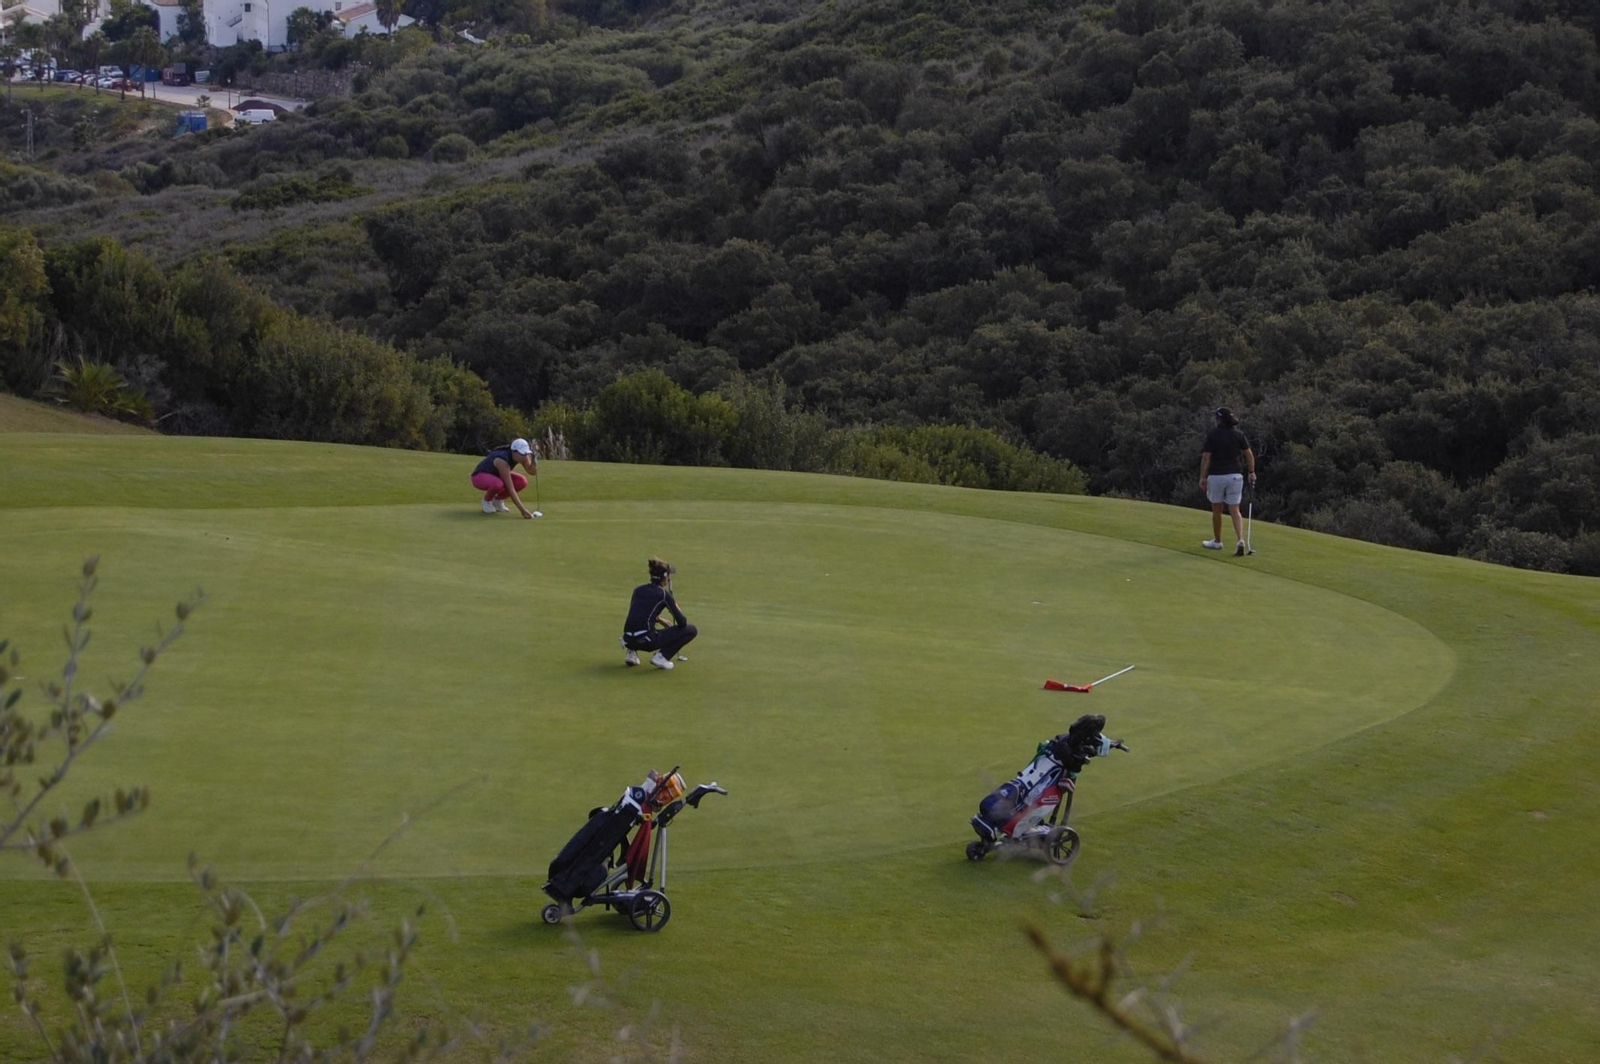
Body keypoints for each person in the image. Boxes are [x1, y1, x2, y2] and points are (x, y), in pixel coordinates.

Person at [971, 714, 1123, 844]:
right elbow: (1076, 763)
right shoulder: (1073, 751)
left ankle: (1010, 824)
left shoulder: (1063, 739)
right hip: (1047, 780)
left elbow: (1086, 745)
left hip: (1037, 772)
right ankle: (1016, 827)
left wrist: (1110, 744)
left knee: (1020, 792)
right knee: (1033, 799)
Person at [621, 558, 698, 670]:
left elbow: (639, 613)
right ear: (665, 577)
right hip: (647, 641)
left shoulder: (638, 590)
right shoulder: (663, 594)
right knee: (691, 630)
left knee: (636, 627)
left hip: (627, 639)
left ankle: (631, 653)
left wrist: (660, 620)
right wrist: (675, 606)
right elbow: (682, 622)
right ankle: (662, 657)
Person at [1198, 407, 1256, 556]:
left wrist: (1202, 477)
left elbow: (1206, 457)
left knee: (1217, 509)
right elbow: (1249, 455)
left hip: (1217, 476)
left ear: (1219, 419)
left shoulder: (1213, 435)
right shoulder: (1239, 434)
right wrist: (1251, 472)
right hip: (1235, 476)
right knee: (1235, 509)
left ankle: (1217, 541)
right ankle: (1240, 540)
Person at [471, 439, 538, 518]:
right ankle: (487, 501)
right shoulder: (502, 460)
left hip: (496, 475)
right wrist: (522, 510)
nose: (524, 456)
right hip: (479, 477)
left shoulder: (522, 456)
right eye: (522, 453)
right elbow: (511, 488)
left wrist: (534, 457)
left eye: (526, 453)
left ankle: (497, 501)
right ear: (514, 451)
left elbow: (532, 472)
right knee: (498, 484)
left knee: (521, 481)